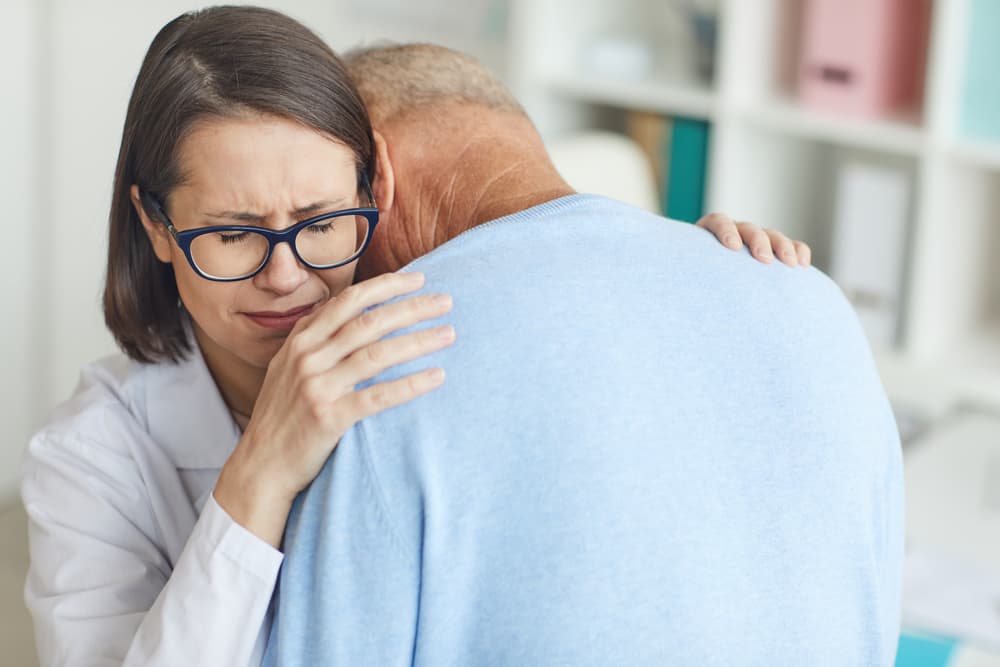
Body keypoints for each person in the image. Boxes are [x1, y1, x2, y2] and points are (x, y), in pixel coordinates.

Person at [19, 7, 803, 667]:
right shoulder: (88, 458)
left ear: (375, 190)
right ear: (157, 224)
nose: (287, 276)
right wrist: (255, 478)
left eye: (323, 222)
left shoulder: (432, 321)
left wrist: (692, 269)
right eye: (232, 235)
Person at [263, 44, 904, 667]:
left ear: (375, 172)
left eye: (320, 219)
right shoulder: (811, 298)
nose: (317, 275)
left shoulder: (384, 367)